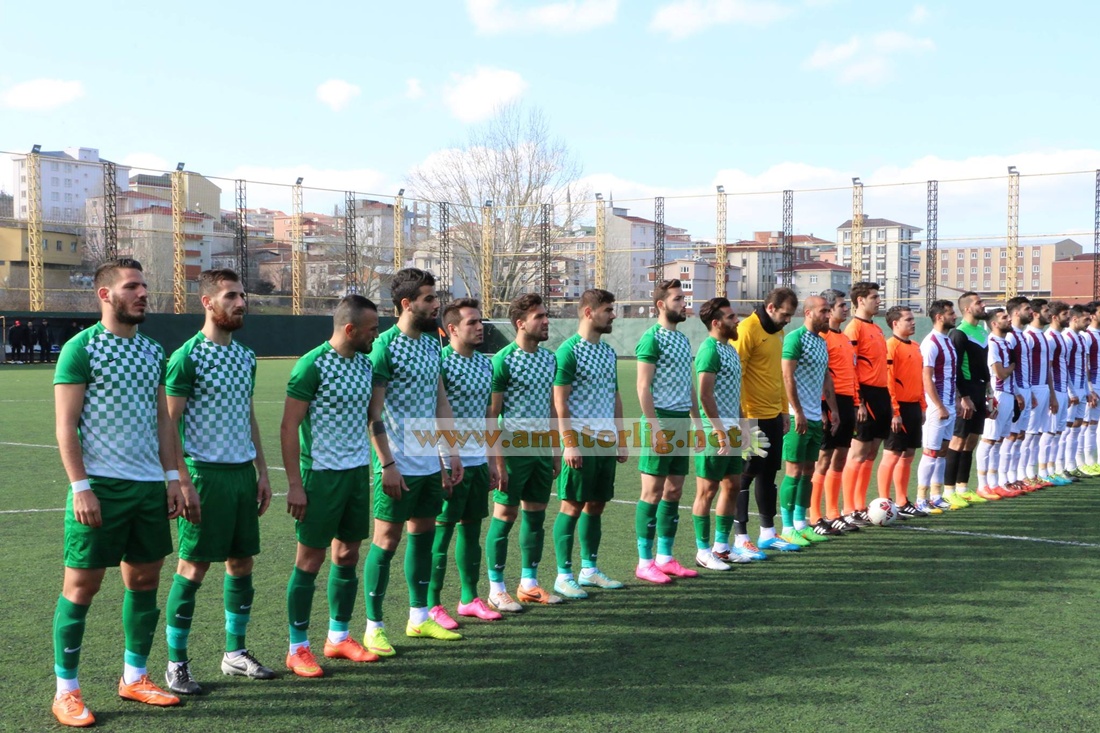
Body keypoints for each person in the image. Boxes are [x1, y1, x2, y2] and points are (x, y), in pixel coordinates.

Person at [50, 258, 185, 727]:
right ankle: (66, 691)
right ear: (105, 294)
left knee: (144, 582)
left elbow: (163, 420)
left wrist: (172, 478)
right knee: (81, 587)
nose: (143, 293)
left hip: (148, 488)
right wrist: (81, 487)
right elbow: (66, 425)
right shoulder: (81, 348)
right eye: (132, 286)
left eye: (144, 286)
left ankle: (134, 678)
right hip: (100, 488)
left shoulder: (152, 350)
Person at [162, 269, 276, 694]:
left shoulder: (246, 357)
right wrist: (183, 481)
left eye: (243, 295)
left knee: (242, 563)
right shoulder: (187, 357)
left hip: (242, 475)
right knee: (193, 567)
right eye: (231, 296)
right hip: (204, 476)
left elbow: (248, 416)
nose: (241, 303)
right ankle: (176, 664)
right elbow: (169, 425)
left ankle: (235, 653)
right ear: (207, 302)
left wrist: (262, 471)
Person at [363, 268, 464, 655]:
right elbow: (373, 414)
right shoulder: (384, 346)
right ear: (407, 304)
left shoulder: (432, 344)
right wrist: (387, 464)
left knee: (423, 536)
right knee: (386, 541)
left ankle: (419, 618)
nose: (437, 304)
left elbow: (440, 402)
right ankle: (373, 627)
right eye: (429, 298)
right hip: (397, 464)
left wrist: (450, 453)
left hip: (428, 462)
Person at [281, 295, 382, 677]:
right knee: (309, 560)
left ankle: (338, 637)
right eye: (372, 329)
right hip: (320, 476)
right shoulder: (312, 365)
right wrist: (295, 484)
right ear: (350, 329)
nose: (376, 335)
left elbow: (372, 418)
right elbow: (288, 426)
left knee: (348, 555)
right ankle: (297, 648)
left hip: (356, 474)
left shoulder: (365, 365)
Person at [427, 298, 504, 626]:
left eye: (480, 321)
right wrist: (441, 461)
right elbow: (432, 413)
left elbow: (488, 417)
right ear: (452, 329)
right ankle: (431, 605)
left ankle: (469, 599)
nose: (479, 327)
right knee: (441, 533)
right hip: (448, 460)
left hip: (477, 461)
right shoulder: (440, 363)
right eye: (472, 322)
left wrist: (492, 460)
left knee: (472, 530)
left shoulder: (485, 365)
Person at [485, 293, 563, 609]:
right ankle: (496, 588)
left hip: (542, 448)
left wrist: (556, 450)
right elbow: (492, 415)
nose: (546, 321)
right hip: (513, 448)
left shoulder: (550, 359)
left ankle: (529, 584)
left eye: (546, 315)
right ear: (520, 323)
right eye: (539, 317)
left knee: (536, 516)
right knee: (505, 515)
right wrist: (497, 462)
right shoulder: (503, 360)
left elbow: (552, 408)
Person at [552, 289, 628, 593]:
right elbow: (559, 401)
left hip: (605, 440)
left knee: (596, 505)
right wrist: (569, 443)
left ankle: (589, 570)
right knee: (571, 505)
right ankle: (563, 575)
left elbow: (615, 397)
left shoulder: (608, 352)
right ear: (588, 312)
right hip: (580, 438)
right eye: (608, 310)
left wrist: (621, 437)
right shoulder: (568, 351)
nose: (613, 315)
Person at [635, 278, 705, 582]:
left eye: (683, 298)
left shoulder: (682, 339)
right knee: (651, 493)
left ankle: (665, 557)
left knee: (674, 491)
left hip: (681, 421)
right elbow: (642, 386)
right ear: (661, 305)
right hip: (660, 421)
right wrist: (654, 427)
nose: (683, 303)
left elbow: (688, 384)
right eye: (678, 299)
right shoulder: (651, 339)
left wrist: (697, 423)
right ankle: (644, 562)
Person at [692, 298, 768, 567]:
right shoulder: (709, 350)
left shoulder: (731, 350)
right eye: (731, 317)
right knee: (707, 490)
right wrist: (718, 429)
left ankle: (722, 547)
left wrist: (744, 426)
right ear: (716, 323)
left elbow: (735, 394)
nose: (737, 321)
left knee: (733, 485)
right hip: (715, 433)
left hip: (733, 430)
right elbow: (704, 395)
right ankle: (703, 551)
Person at [733, 287, 800, 554]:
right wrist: (742, 418)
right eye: (785, 314)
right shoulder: (747, 330)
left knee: (769, 473)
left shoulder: (778, 332)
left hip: (773, 414)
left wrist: (784, 410)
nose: (788, 320)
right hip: (752, 416)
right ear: (770, 308)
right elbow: (736, 376)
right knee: (745, 475)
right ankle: (740, 537)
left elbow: (777, 375)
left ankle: (768, 534)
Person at [779, 295, 838, 547]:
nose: (828, 315)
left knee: (808, 472)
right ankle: (787, 528)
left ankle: (801, 525)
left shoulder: (821, 342)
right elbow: (787, 376)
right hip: (797, 417)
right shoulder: (795, 338)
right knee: (793, 471)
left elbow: (825, 378)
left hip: (814, 416)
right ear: (808, 313)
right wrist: (798, 411)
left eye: (829, 311)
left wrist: (832, 410)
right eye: (824, 311)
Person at [812, 289, 860, 536]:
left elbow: (851, 373)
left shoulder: (845, 338)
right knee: (823, 459)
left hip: (847, 402)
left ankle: (833, 514)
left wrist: (856, 402)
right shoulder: (822, 337)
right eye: (842, 305)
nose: (846, 309)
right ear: (829, 310)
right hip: (828, 402)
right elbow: (820, 376)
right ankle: (814, 516)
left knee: (840, 457)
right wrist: (824, 409)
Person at [841, 282, 889, 526]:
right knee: (858, 453)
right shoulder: (854, 328)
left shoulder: (877, 328)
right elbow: (850, 367)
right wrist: (858, 400)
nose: (878, 301)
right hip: (865, 395)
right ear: (860, 300)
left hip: (881, 394)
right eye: (874, 297)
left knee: (871, 452)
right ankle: (848, 508)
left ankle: (860, 505)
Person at [881, 306, 930, 517]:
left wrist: (922, 406)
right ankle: (884, 503)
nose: (913, 322)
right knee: (892, 454)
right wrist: (895, 411)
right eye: (908, 319)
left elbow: (919, 379)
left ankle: (902, 501)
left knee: (908, 454)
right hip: (898, 407)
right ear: (895, 324)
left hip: (913, 407)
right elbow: (888, 381)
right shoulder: (890, 346)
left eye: (912, 319)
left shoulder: (916, 346)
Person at [915, 300, 961, 510]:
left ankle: (936, 495)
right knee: (931, 452)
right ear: (939, 317)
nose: (955, 316)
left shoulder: (947, 341)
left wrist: (956, 400)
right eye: (951, 313)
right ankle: (921, 499)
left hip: (949, 404)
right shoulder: (931, 342)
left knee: (942, 451)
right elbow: (927, 377)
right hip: (936, 406)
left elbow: (951, 376)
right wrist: (939, 405)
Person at [942, 293, 984, 503]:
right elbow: (955, 368)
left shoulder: (982, 331)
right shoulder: (959, 333)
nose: (982, 305)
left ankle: (963, 488)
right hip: (966, 391)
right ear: (967, 308)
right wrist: (963, 397)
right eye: (978, 303)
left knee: (972, 440)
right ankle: (948, 491)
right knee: (958, 440)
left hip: (980, 390)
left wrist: (988, 393)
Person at [975, 308, 1018, 499]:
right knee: (989, 439)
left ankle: (995, 483)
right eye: (1004, 317)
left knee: (999, 440)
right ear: (994, 323)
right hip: (997, 394)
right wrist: (1012, 366)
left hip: (1008, 393)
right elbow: (1000, 374)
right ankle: (982, 485)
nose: (1009, 319)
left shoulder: (1005, 343)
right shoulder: (992, 343)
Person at [998, 297, 1035, 496]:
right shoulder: (1010, 337)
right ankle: (1003, 480)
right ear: (1015, 313)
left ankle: (1014, 477)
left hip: (1025, 390)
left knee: (1020, 435)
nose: (1031, 312)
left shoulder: (1023, 336)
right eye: (1027, 309)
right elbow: (1008, 370)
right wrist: (1016, 393)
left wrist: (1029, 392)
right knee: (1011, 436)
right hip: (1015, 391)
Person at [1020, 299, 1055, 489]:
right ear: (1035, 314)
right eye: (1046, 311)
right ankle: (1023, 475)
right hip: (1032, 389)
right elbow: (1023, 366)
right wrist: (1029, 391)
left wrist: (1051, 393)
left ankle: (1033, 474)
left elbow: (1048, 368)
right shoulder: (1028, 337)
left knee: (1037, 434)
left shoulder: (1044, 337)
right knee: (1028, 434)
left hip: (1043, 389)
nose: (1049, 314)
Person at [1038, 301, 1073, 485]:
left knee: (1058, 432)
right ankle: (1043, 472)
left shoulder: (1061, 337)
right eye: (1065, 314)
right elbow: (1048, 368)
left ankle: (1053, 470)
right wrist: (1052, 394)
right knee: (1049, 431)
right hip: (1055, 389)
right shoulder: (1050, 338)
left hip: (1062, 389)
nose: (1068, 317)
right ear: (1054, 317)